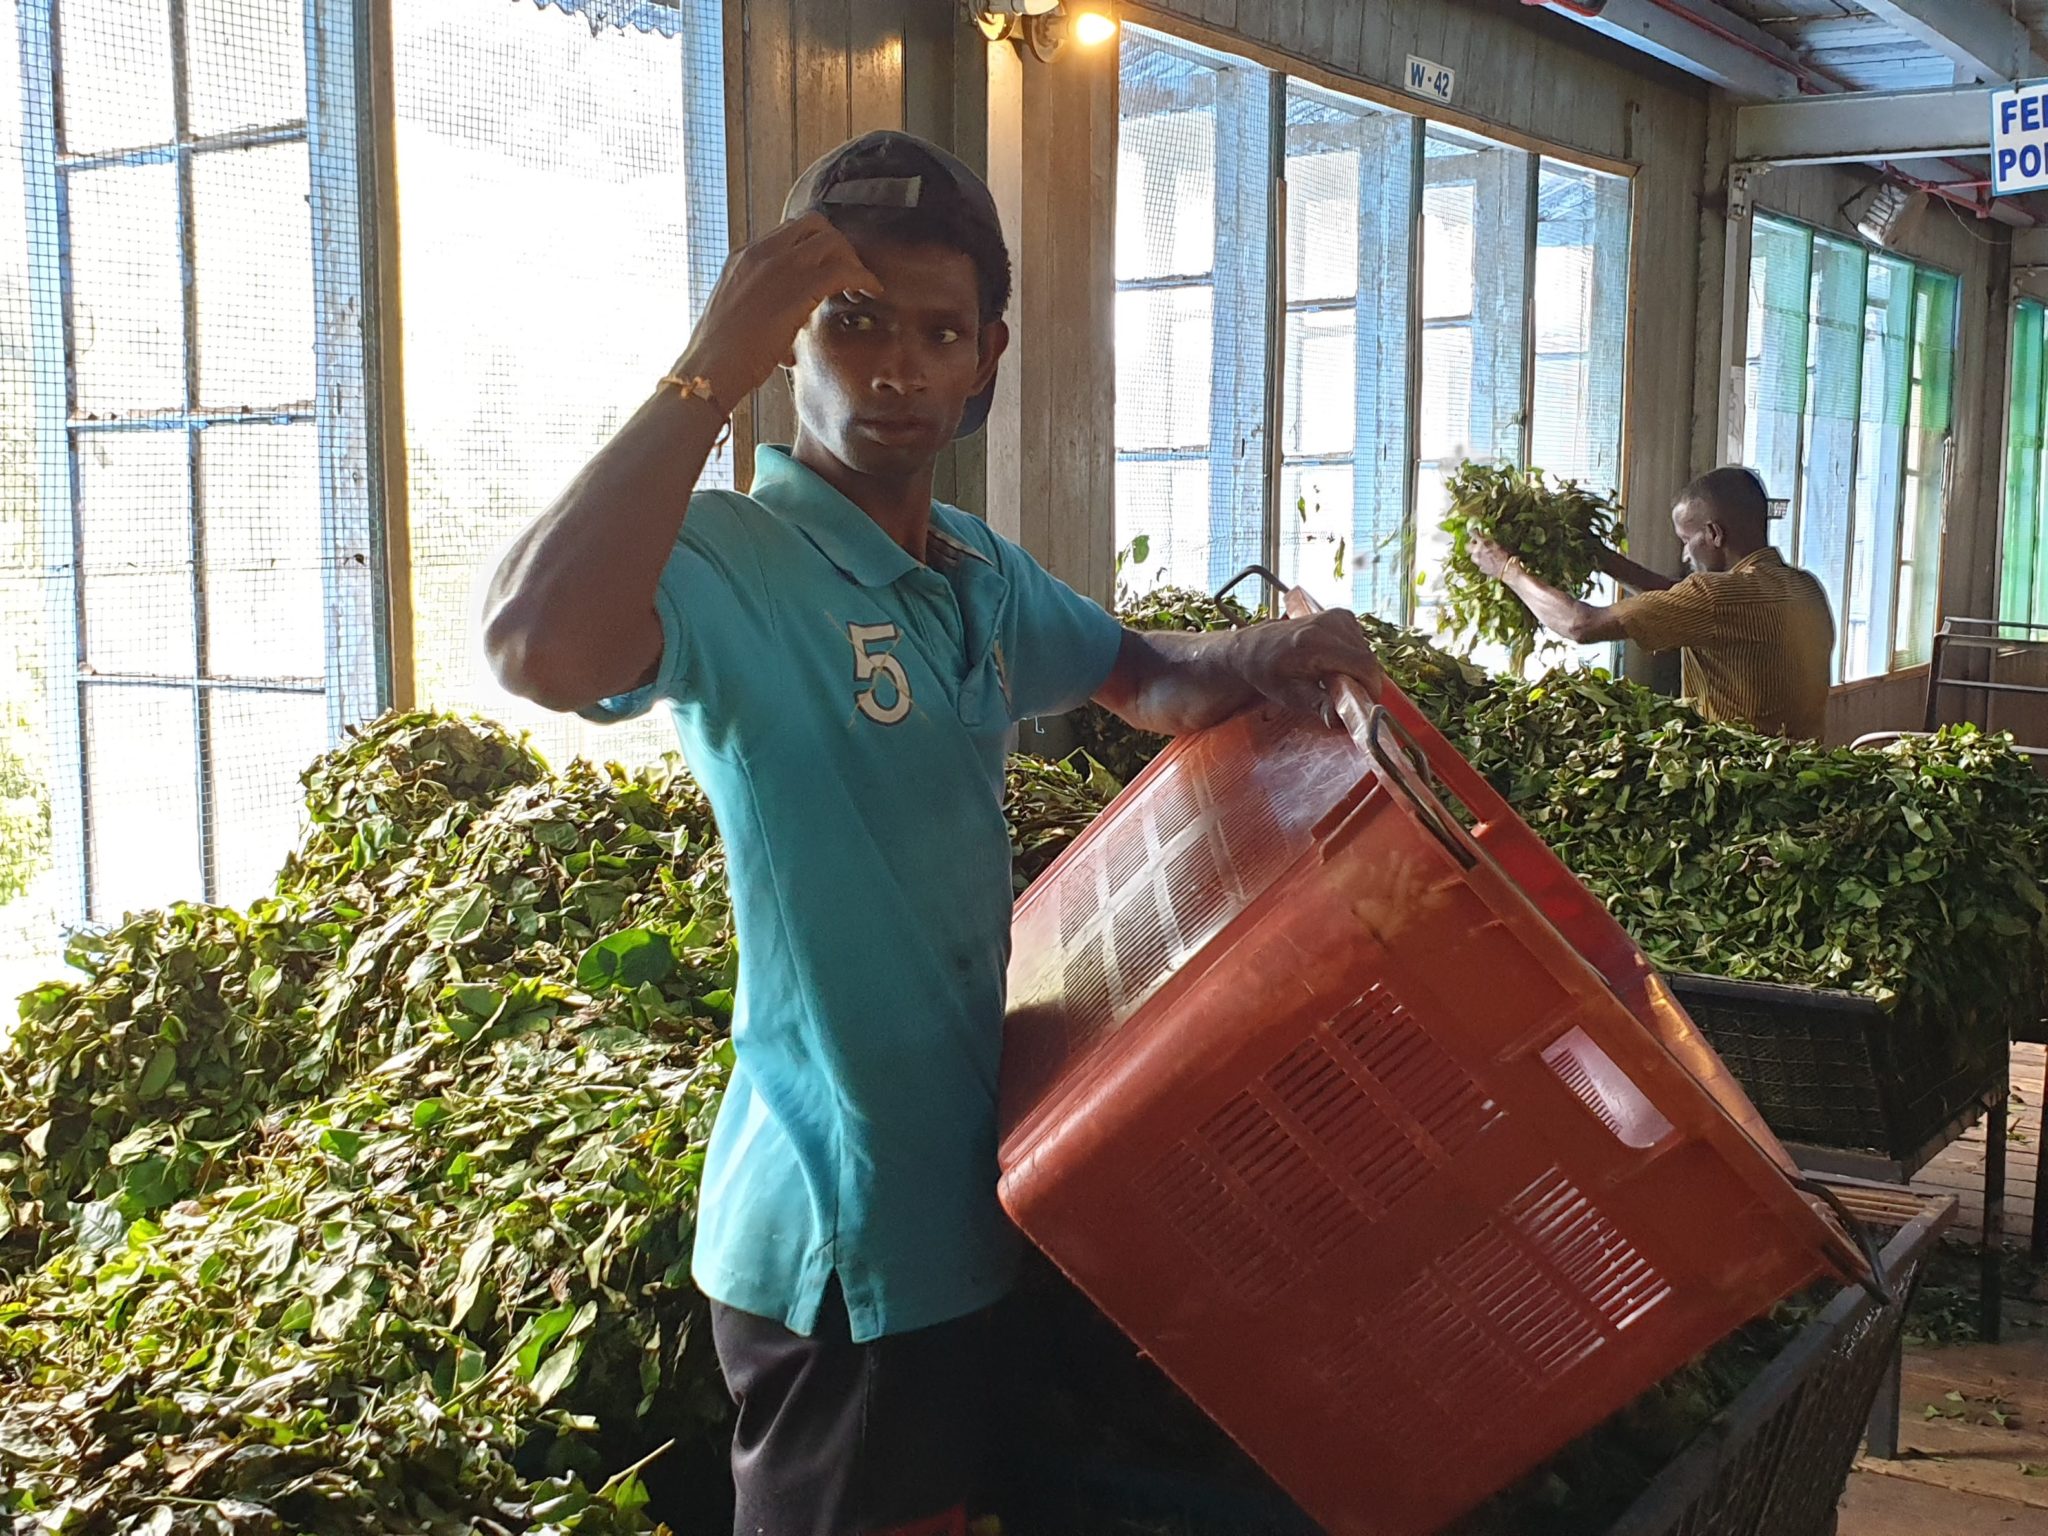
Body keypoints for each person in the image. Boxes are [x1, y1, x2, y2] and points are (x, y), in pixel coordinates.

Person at [481, 130, 1381, 1536]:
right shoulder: (730, 559)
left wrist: (1267, 652)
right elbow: (537, 646)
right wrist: (704, 365)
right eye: (850, 324)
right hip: (843, 1232)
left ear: (985, 360)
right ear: (787, 342)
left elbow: (1142, 676)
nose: (895, 367)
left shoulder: (969, 570)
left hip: (970, 1196)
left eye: (938, 333)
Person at [1467, 466, 1835, 740]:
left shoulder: (1714, 598)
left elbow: (1580, 624)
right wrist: (1603, 558)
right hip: (1801, 775)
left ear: (1714, 534)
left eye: (1686, 540)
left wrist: (1507, 569)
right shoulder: (1805, 587)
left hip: (1740, 783)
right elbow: (1679, 599)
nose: (1685, 554)